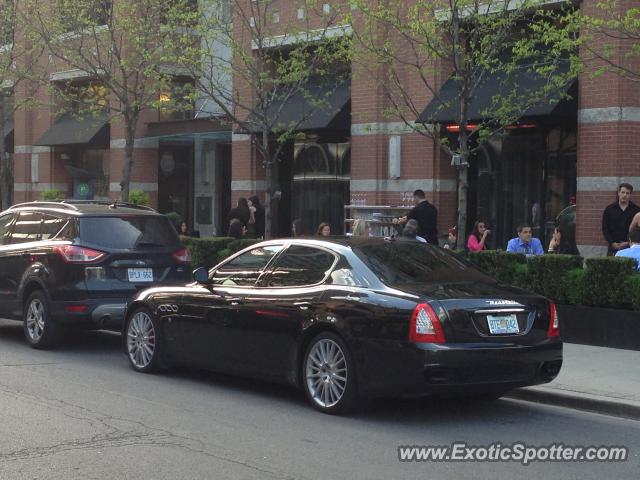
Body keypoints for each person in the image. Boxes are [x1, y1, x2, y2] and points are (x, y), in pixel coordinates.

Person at [602, 183, 640, 256]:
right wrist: (612, 243)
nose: (625, 195)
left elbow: (637, 229)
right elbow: (605, 228)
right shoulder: (609, 209)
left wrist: (628, 242)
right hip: (613, 247)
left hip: (630, 247)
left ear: (630, 195)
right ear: (618, 193)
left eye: (627, 193)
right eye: (623, 192)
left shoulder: (636, 210)